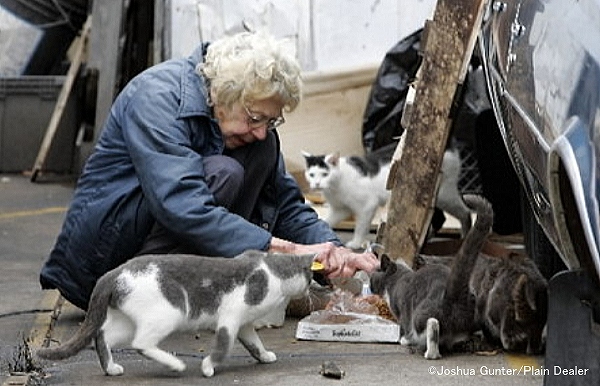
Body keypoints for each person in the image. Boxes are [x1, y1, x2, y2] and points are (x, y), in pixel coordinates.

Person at [40, 31, 380, 310]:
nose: (262, 129)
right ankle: (138, 295)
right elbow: (182, 205)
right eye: (255, 118)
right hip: (101, 266)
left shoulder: (252, 128)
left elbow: (287, 207)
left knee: (259, 152)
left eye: (272, 120)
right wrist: (290, 251)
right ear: (222, 94)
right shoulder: (157, 96)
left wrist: (334, 250)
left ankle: (187, 291)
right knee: (224, 172)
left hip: (157, 248)